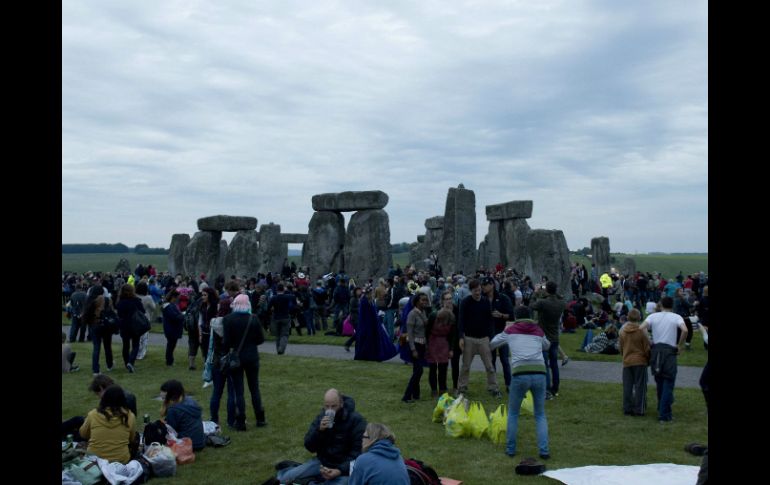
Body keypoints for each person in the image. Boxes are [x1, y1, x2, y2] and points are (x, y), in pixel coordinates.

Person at [489, 305, 550, 459]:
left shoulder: (510, 330)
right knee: (540, 414)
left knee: (514, 413)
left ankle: (511, 449)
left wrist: (507, 328)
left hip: (520, 373)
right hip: (539, 373)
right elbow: (547, 345)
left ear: (516, 317)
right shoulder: (538, 330)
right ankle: (544, 450)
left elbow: (493, 343)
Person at [273, 389, 367, 485]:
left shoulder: (356, 421)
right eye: (327, 406)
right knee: (283, 479)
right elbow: (309, 446)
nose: (330, 410)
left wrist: (339, 470)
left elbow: (357, 454)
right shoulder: (321, 417)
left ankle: (309, 482)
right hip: (322, 464)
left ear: (341, 404)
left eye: (334, 406)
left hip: (342, 470)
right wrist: (319, 430)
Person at [222, 293, 267, 430]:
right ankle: (260, 418)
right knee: (254, 388)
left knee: (239, 390)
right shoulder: (254, 319)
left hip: (237, 357)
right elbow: (261, 339)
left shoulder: (228, 319)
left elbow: (226, 342)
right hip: (252, 356)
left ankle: (241, 420)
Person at [640, 296, 688, 423]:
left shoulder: (653, 316)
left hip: (656, 350)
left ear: (661, 305)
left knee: (660, 380)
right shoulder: (676, 317)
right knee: (668, 381)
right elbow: (685, 330)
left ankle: (661, 407)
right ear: (672, 306)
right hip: (669, 351)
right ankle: (664, 414)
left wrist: (649, 341)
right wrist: (679, 344)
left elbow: (641, 328)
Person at [457, 279, 501, 398]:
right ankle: (462, 388)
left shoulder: (486, 301)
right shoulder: (465, 302)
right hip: (469, 338)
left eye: (479, 290)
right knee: (465, 366)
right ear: (470, 291)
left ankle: (493, 388)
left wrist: (490, 337)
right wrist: (461, 337)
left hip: (483, 339)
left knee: (489, 366)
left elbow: (490, 320)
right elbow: (460, 320)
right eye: (475, 291)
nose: (477, 293)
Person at [78, 385, 137, 464]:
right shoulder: (129, 416)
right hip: (120, 461)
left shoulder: (93, 414)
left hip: (94, 461)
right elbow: (131, 439)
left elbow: (83, 434)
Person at [618, 308, 650, 416]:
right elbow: (647, 347)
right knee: (640, 386)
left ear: (627, 317)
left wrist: (624, 356)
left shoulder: (622, 331)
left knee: (627, 386)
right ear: (639, 317)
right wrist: (648, 358)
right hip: (640, 361)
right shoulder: (642, 330)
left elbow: (620, 347)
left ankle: (627, 408)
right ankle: (639, 409)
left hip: (627, 361)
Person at [160, 380, 206, 451]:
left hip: (189, 444)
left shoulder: (173, 409)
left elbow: (171, 431)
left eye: (163, 398)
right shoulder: (191, 401)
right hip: (200, 441)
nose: (162, 399)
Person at [402, 292, 430, 403]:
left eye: (425, 300)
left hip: (422, 345)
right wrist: (413, 349)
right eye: (422, 300)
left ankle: (416, 395)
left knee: (416, 370)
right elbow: (409, 333)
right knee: (419, 371)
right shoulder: (412, 314)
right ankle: (406, 396)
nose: (424, 302)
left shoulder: (423, 312)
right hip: (414, 345)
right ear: (417, 301)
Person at [115, 283, 145, 373]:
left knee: (125, 345)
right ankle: (131, 362)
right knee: (135, 344)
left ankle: (126, 363)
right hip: (135, 324)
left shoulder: (120, 302)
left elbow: (119, 314)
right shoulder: (136, 300)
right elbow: (142, 311)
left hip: (124, 325)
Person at [161, 290, 185, 366]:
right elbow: (174, 317)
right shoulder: (169, 306)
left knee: (171, 345)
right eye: (177, 297)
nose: (178, 299)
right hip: (171, 329)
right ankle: (169, 361)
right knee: (171, 345)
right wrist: (183, 315)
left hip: (171, 328)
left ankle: (170, 360)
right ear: (173, 297)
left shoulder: (170, 305)